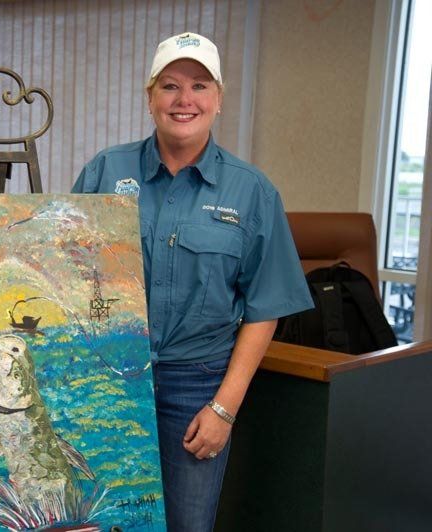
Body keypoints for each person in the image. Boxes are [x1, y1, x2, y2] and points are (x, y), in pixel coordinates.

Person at [72, 32, 313, 531]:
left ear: (219, 99)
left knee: (187, 524)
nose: (185, 100)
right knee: (98, 520)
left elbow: (264, 307)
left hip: (195, 387)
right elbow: (69, 270)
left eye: (200, 86)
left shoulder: (252, 192)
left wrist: (224, 409)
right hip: (108, 378)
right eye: (170, 86)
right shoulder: (105, 170)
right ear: (149, 97)